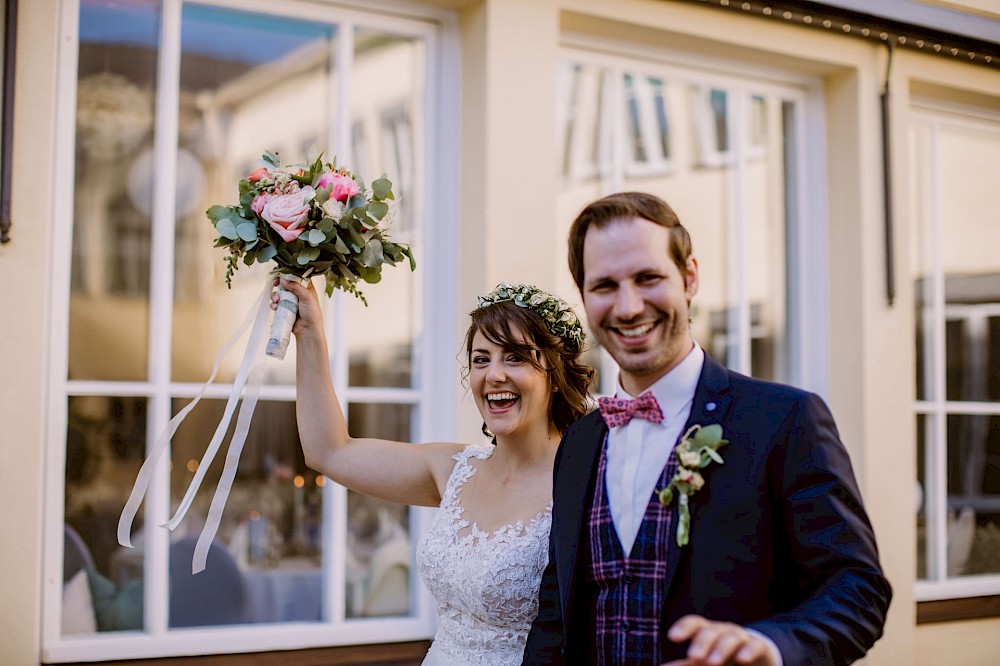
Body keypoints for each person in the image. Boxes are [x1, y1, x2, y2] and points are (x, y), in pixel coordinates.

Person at [522, 192, 892, 666]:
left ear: (689, 277)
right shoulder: (579, 442)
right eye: (605, 286)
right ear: (584, 296)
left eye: (648, 277)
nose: (629, 306)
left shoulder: (784, 419)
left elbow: (857, 589)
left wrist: (772, 646)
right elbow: (556, 615)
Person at [274, 278, 593, 666]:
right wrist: (310, 332)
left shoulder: (584, 484)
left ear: (554, 373)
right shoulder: (451, 469)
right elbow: (329, 451)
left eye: (515, 357)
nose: (493, 375)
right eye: (481, 359)